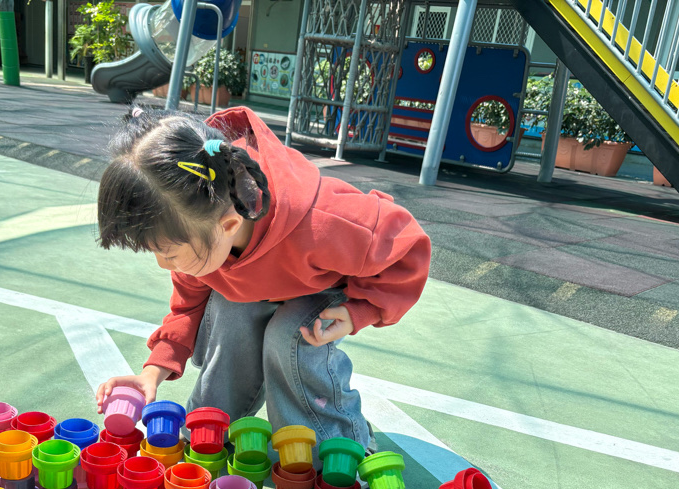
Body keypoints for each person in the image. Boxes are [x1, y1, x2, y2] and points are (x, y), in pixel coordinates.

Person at [94, 105, 430, 452]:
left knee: (291, 334)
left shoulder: (322, 223)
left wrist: (359, 311)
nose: (164, 264)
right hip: (260, 286)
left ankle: (340, 440)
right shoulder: (198, 227)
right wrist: (152, 372)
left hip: (323, 287)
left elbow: (406, 249)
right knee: (232, 311)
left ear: (228, 225)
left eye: (168, 252)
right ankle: (213, 424)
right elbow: (187, 309)